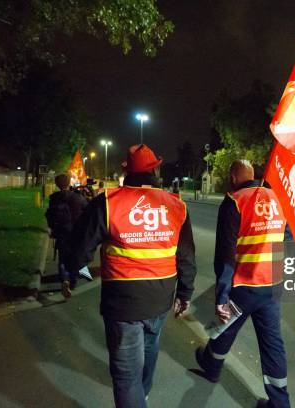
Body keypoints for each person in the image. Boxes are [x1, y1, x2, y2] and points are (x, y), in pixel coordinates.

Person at [67, 144, 197, 408]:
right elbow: (186, 257)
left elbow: (79, 249)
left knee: (126, 376)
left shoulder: (107, 202)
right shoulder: (176, 206)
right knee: (149, 350)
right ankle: (143, 394)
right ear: (155, 171)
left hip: (123, 302)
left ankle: (137, 397)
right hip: (161, 298)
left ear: (127, 171)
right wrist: (185, 293)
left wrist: (76, 269)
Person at [194, 160, 290, 408]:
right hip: (273, 283)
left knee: (225, 325)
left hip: (246, 283)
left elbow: (225, 255)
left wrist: (221, 295)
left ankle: (211, 366)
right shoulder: (277, 198)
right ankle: (280, 403)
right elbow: (287, 235)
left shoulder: (235, 201)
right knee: (272, 344)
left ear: (234, 176)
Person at [45, 173, 89, 298]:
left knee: (63, 259)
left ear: (57, 184)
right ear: (69, 182)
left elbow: (51, 216)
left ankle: (65, 280)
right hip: (76, 234)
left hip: (61, 233)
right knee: (75, 258)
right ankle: (72, 282)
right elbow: (88, 212)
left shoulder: (54, 198)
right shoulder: (78, 197)